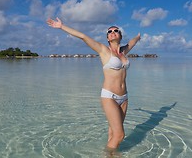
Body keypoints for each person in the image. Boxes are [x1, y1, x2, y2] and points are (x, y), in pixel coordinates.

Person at [47, 17, 141, 150]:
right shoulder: (103, 50)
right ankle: (107, 154)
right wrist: (62, 26)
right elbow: (83, 36)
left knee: (113, 132)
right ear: (108, 38)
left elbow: (132, 42)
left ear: (120, 35)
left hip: (124, 98)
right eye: (110, 31)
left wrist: (138, 37)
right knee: (120, 135)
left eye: (116, 30)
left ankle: (111, 154)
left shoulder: (123, 52)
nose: (113, 32)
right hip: (110, 96)